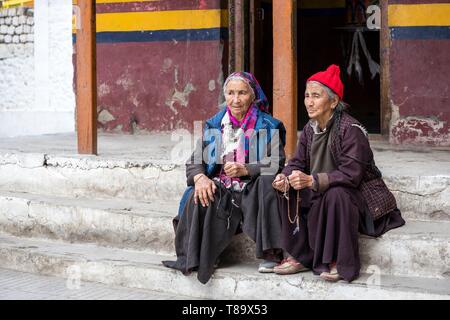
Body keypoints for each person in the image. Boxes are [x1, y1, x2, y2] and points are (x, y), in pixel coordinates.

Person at [272, 64, 405, 282]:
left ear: (333, 102)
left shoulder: (351, 130)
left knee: (336, 195)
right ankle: (301, 256)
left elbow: (351, 174)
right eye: (307, 96)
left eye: (316, 96)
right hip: (320, 190)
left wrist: (312, 180)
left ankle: (337, 260)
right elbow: (296, 162)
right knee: (287, 189)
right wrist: (285, 176)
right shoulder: (309, 129)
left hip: (357, 196)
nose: (309, 101)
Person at [163, 72, 286, 284]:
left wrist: (245, 169)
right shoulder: (216, 124)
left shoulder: (267, 125)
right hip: (223, 189)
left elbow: (276, 161)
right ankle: (204, 253)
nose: (235, 99)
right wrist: (200, 177)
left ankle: (270, 251)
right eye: (230, 93)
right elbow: (195, 161)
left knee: (267, 181)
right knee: (199, 191)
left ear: (253, 95)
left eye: (241, 93)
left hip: (251, 187)